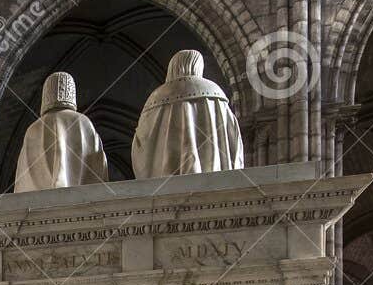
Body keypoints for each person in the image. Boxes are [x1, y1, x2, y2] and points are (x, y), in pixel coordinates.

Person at [131, 49, 244, 178]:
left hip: (164, 185)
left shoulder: (157, 97)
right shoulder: (217, 96)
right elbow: (234, 138)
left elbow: (142, 141)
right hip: (214, 182)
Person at [13, 72, 108, 192]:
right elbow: (98, 169)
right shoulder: (83, 122)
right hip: (84, 204)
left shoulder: (33, 128)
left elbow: (22, 182)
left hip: (37, 206)